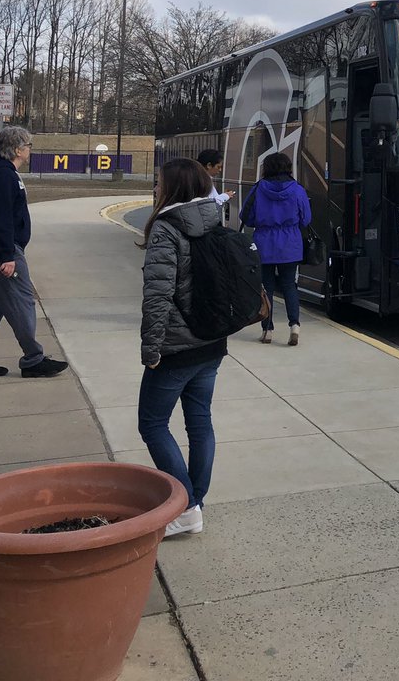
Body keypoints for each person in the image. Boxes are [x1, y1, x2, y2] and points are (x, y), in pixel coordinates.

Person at [138, 157, 226, 537]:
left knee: (152, 423)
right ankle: (196, 503)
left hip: (176, 347)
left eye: (160, 181)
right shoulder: (215, 219)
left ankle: (188, 507)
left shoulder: (166, 227)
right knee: (199, 422)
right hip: (211, 342)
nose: (156, 187)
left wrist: (151, 348)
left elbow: (158, 295)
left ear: (174, 186)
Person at [0, 126, 69, 379]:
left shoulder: (3, 173)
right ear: (17, 149)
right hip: (4, 250)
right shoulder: (3, 176)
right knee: (22, 300)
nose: (30, 150)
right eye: (28, 146)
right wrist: (7, 256)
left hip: (1, 248)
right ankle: (33, 359)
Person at [239, 152, 311, 347]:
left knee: (266, 287)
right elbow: (306, 219)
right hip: (290, 244)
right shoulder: (297, 190)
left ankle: (267, 330)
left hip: (264, 243)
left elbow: (246, 216)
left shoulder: (258, 189)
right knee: (289, 285)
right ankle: (294, 326)